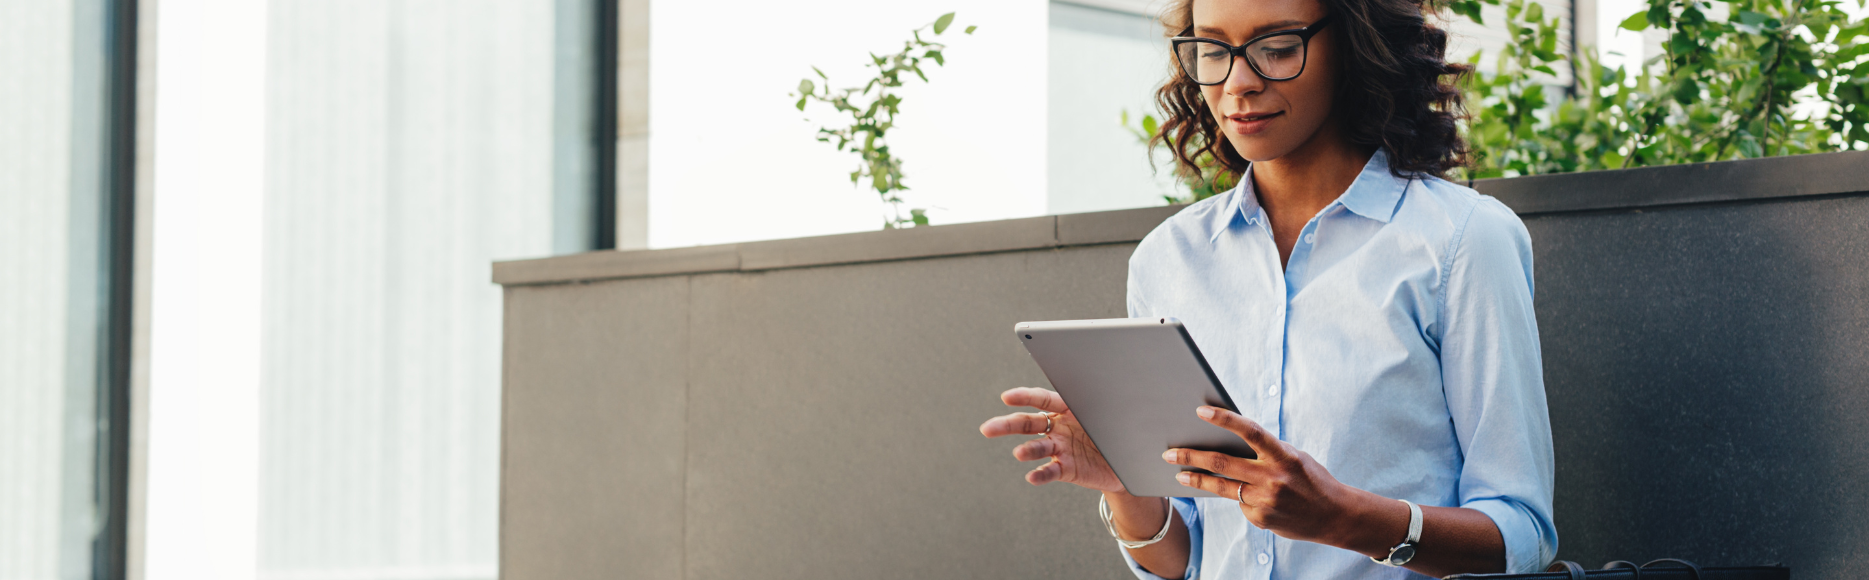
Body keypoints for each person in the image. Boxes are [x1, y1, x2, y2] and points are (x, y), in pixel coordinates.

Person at [979, 0, 1558, 577]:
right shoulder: (1168, 261)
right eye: (1212, 51)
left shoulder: (1462, 242)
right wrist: (1126, 485)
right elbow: (1183, 562)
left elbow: (1522, 535)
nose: (1239, 83)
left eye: (1277, 49)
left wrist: (1344, 518)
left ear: (1354, 49)